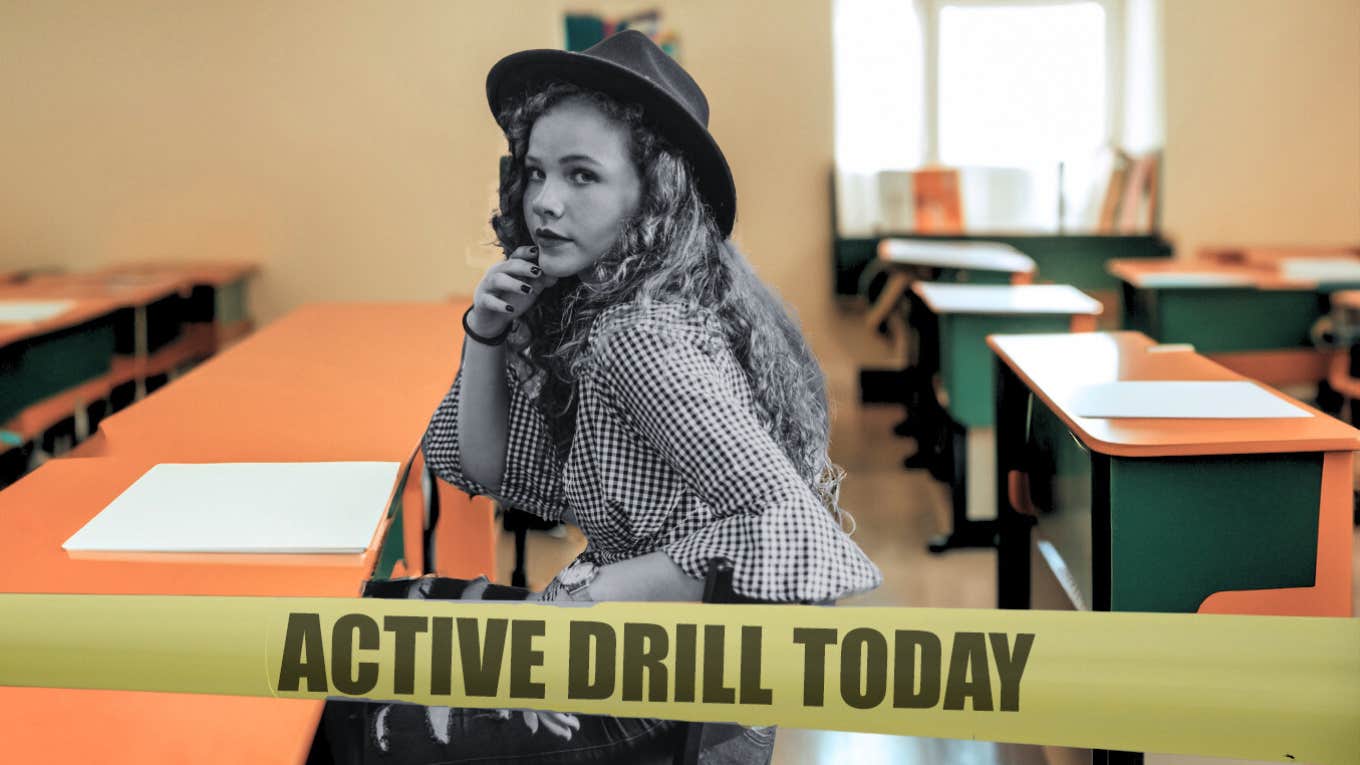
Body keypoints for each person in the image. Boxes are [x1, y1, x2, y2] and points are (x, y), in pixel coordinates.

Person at [379, 30, 880, 763]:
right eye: (536, 172)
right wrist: (485, 332)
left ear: (655, 192)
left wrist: (586, 598)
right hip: (673, 670)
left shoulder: (638, 338)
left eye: (582, 176)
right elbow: (484, 467)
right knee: (377, 632)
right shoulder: (624, 309)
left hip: (676, 697)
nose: (544, 203)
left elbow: (791, 529)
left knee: (355, 695)